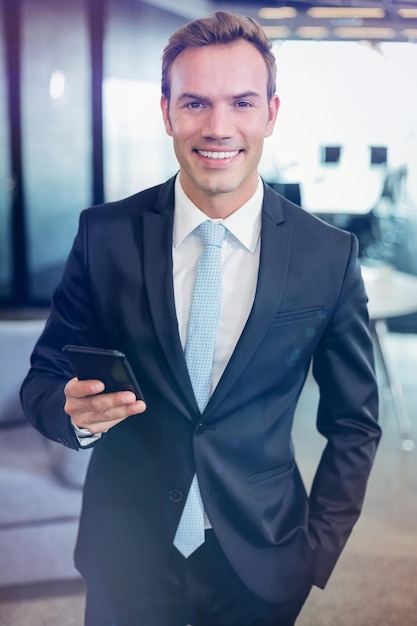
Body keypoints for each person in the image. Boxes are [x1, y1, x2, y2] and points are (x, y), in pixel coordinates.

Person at [21, 11, 381, 626]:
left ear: (271, 112)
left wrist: (315, 550)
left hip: (264, 560)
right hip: (125, 555)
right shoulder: (102, 236)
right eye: (194, 103)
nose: (218, 127)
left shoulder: (329, 255)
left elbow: (354, 424)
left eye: (242, 102)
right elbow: (42, 380)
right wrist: (70, 415)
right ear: (166, 112)